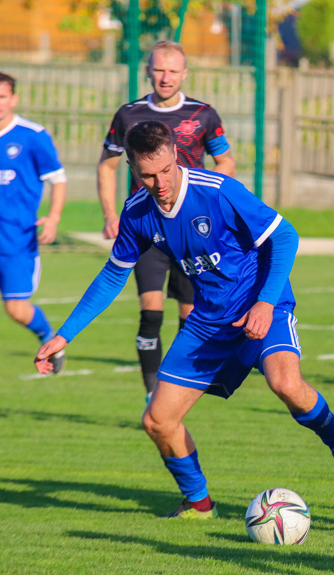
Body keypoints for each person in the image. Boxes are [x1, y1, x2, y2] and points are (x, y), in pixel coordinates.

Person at [35, 121, 334, 518]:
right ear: (132, 168)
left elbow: (284, 236)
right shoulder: (137, 213)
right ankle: (199, 505)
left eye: (166, 169)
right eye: (148, 174)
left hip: (260, 305)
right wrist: (64, 335)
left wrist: (266, 303)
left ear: (175, 155)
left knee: (286, 383)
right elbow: (113, 275)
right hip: (208, 323)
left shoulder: (217, 191)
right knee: (158, 421)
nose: (160, 182)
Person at [98, 40, 236, 401]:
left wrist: (218, 206)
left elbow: (226, 163)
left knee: (190, 316)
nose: (165, 77)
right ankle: (151, 393)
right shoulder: (129, 114)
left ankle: (184, 385)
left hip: (192, 231)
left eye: (173, 71)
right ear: (148, 71)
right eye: (159, 69)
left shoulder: (203, 114)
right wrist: (112, 214)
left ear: (184, 74)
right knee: (151, 313)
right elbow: (108, 165)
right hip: (148, 230)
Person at [0, 71, 67, 378]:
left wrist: (54, 217)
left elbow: (58, 179)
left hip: (15, 242)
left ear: (14, 99)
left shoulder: (32, 136)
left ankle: (49, 338)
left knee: (17, 310)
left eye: (1, 97)